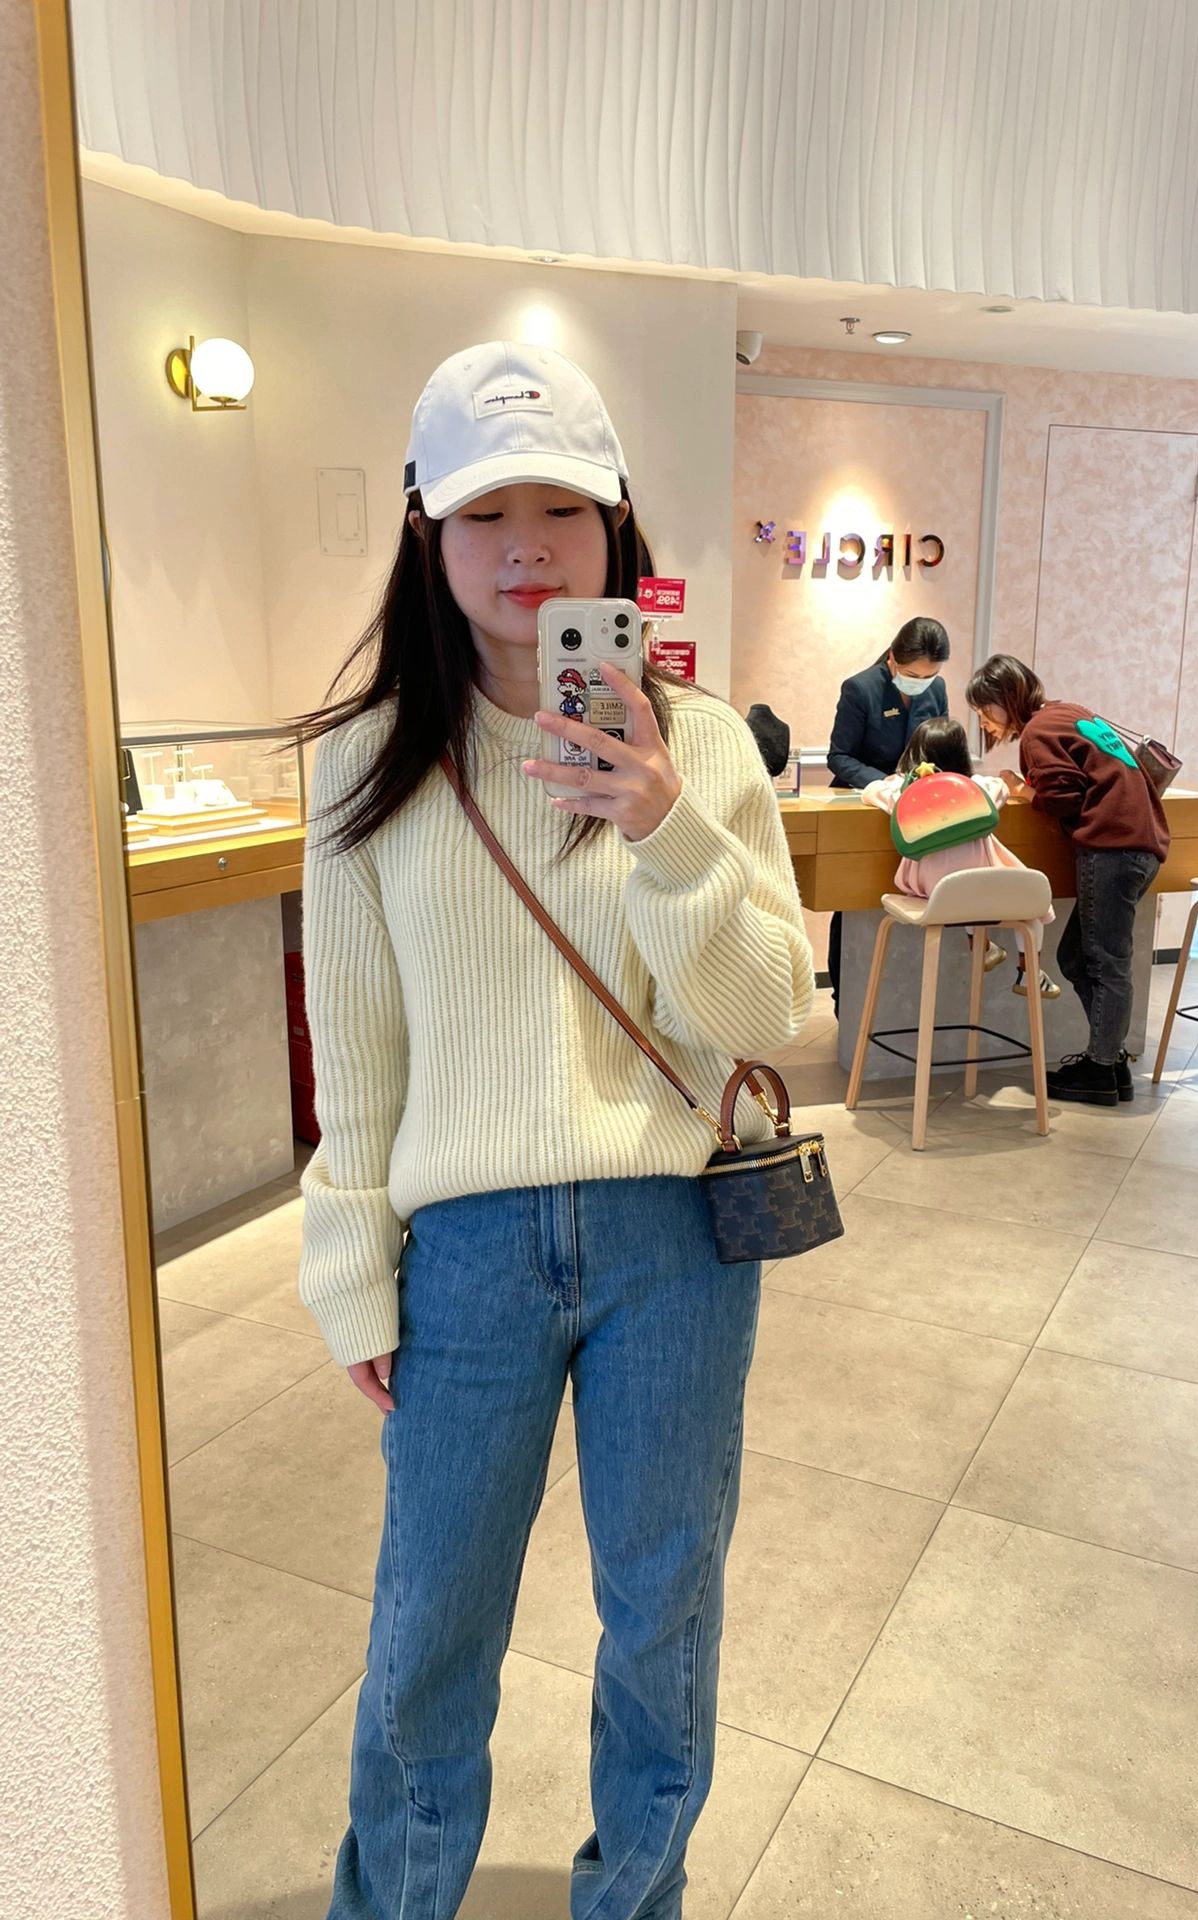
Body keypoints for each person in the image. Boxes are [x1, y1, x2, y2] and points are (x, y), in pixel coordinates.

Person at [295, 340, 813, 1920]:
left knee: (663, 1616)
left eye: (561, 509)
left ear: (615, 526)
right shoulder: (368, 763)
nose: (526, 548)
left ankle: (634, 1899)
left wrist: (663, 824)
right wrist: (349, 1264)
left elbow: (771, 1013)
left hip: (673, 1243)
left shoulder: (702, 747)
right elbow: (358, 1051)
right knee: (431, 1623)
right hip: (463, 1253)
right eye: (485, 513)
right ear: (427, 533)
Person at [966, 654, 1170, 1107]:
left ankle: (1101, 1069)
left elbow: (1063, 797)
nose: (983, 721)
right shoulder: (1071, 713)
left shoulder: (1038, 731)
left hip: (1113, 847)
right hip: (1139, 845)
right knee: (1077, 956)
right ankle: (1110, 1060)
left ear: (1006, 698)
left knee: (1105, 962)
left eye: (984, 710)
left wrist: (1021, 789)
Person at [861, 717, 1059, 998]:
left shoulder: (903, 793)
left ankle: (984, 949)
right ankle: (1030, 973)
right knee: (1023, 900)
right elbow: (1001, 788)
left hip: (932, 890)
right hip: (978, 885)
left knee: (962, 890)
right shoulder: (977, 788)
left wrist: (903, 781)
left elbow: (870, 791)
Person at [825, 617, 952, 1008]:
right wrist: (887, 784)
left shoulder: (937, 690)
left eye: (929, 676)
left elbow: (942, 746)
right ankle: (846, 998)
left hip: (918, 813)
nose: (921, 683)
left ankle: (902, 1000)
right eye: (913, 675)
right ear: (894, 658)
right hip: (868, 807)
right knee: (855, 901)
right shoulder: (860, 689)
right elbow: (839, 757)